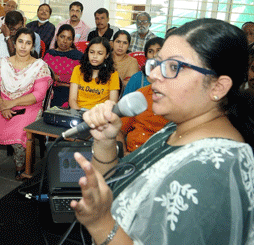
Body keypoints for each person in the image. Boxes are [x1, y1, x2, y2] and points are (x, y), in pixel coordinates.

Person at [71, 18, 254, 245]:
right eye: (156, 63)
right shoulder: (175, 127)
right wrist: (106, 142)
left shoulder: (215, 168)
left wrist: (100, 224)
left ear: (218, 87)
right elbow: (119, 189)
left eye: (173, 67)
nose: (154, 75)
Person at [0, 28, 53, 181]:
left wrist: (11, 103)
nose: (23, 46)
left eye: (28, 43)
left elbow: (38, 95)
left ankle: (21, 166)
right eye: (20, 42)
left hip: (28, 106)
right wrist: (2, 105)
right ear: (14, 44)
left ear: (32, 46)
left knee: (18, 132)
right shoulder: (3, 63)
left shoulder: (39, 66)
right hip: (1, 104)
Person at [69, 37, 119, 109]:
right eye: (92, 52)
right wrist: (79, 114)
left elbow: (113, 102)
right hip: (78, 111)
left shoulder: (113, 74)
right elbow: (72, 100)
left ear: (106, 55)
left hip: (100, 115)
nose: (94, 56)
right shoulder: (78, 69)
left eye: (100, 53)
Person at [43, 24, 83, 107]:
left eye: (69, 39)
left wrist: (58, 79)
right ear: (57, 37)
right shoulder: (49, 54)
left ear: (72, 41)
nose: (64, 41)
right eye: (62, 37)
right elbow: (44, 76)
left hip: (70, 92)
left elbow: (80, 79)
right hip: (49, 90)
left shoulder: (78, 56)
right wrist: (64, 82)